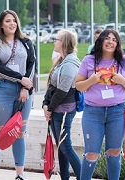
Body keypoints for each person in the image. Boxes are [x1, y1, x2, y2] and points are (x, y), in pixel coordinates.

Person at [75, 29, 125, 180]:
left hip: (117, 111)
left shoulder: (124, 60)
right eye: (107, 38)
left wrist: (122, 80)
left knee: (114, 151)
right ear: (101, 40)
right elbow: (78, 86)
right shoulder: (89, 60)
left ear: (118, 44)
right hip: (93, 112)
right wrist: (92, 80)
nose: (110, 42)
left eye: (114, 39)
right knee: (91, 152)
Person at [0, 10, 35, 180]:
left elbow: (31, 66)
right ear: (1, 24)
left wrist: (25, 88)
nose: (12, 23)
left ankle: (20, 174)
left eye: (14, 20)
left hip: (23, 92)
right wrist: (21, 79)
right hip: (1, 89)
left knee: (19, 131)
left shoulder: (26, 42)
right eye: (7, 21)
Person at [42, 29, 81, 180]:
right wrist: (46, 104)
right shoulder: (62, 61)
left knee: (65, 146)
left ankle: (82, 176)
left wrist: (49, 108)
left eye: (56, 39)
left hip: (64, 110)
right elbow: (51, 87)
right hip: (56, 109)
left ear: (64, 43)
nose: (54, 41)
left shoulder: (70, 64)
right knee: (61, 145)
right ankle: (64, 177)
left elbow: (62, 91)